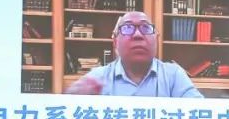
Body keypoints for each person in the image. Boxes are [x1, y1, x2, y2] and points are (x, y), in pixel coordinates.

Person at [65, 12, 203, 98]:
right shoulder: (98, 78)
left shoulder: (174, 76)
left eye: (145, 28)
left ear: (156, 39)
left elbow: (200, 115)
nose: (137, 35)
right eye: (127, 28)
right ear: (115, 42)